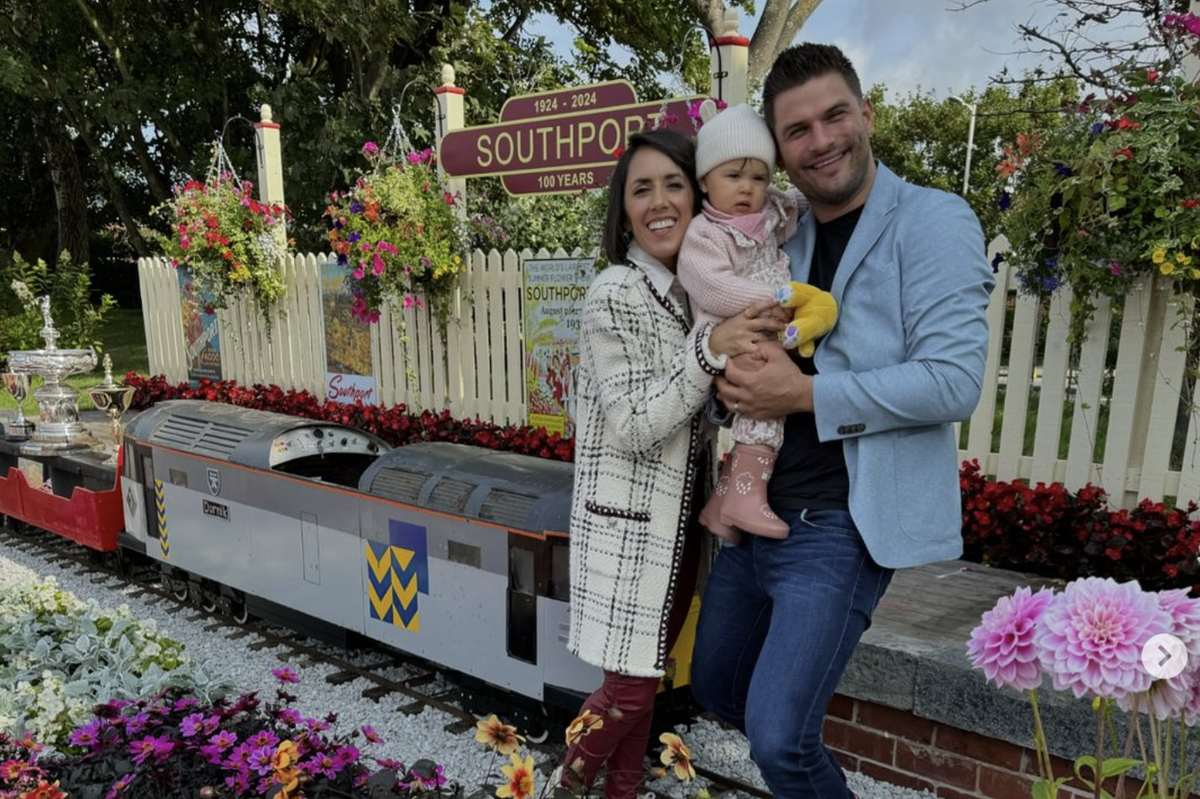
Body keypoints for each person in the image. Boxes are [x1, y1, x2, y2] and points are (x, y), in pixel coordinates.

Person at [689, 43, 995, 798]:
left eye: (834, 115)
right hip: (749, 506)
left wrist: (804, 397)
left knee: (780, 739)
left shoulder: (931, 220)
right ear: (781, 154)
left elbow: (953, 381)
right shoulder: (775, 228)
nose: (821, 139)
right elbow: (715, 317)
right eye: (797, 130)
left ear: (867, 113)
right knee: (715, 690)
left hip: (841, 520)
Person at [563, 129, 784, 799]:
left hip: (680, 532)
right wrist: (709, 350)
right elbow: (632, 424)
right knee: (625, 691)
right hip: (628, 533)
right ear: (622, 209)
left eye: (673, 184)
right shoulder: (616, 293)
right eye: (640, 188)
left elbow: (699, 415)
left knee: (645, 690)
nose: (659, 202)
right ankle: (561, 786)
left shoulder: (695, 294)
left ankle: (619, 793)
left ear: (700, 195)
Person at [676, 101, 835, 542]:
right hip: (735, 337)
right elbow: (712, 287)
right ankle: (747, 494)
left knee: (771, 396)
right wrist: (773, 302)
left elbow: (804, 199)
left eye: (759, 177)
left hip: (764, 331)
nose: (747, 188)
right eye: (733, 176)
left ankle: (721, 505)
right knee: (767, 405)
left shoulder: (769, 215)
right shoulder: (705, 234)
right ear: (705, 181)